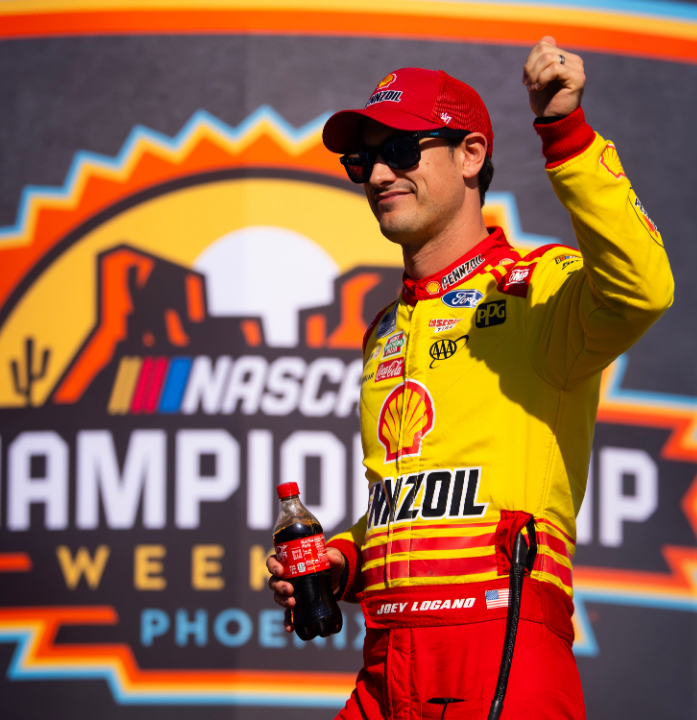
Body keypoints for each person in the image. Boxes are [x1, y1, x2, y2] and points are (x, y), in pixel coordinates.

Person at [268, 36, 674, 719]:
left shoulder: (538, 290)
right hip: (387, 656)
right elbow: (409, 506)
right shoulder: (386, 330)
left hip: (499, 646)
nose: (376, 177)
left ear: (471, 155)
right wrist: (342, 559)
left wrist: (564, 131)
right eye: (362, 159)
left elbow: (643, 288)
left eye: (401, 152)